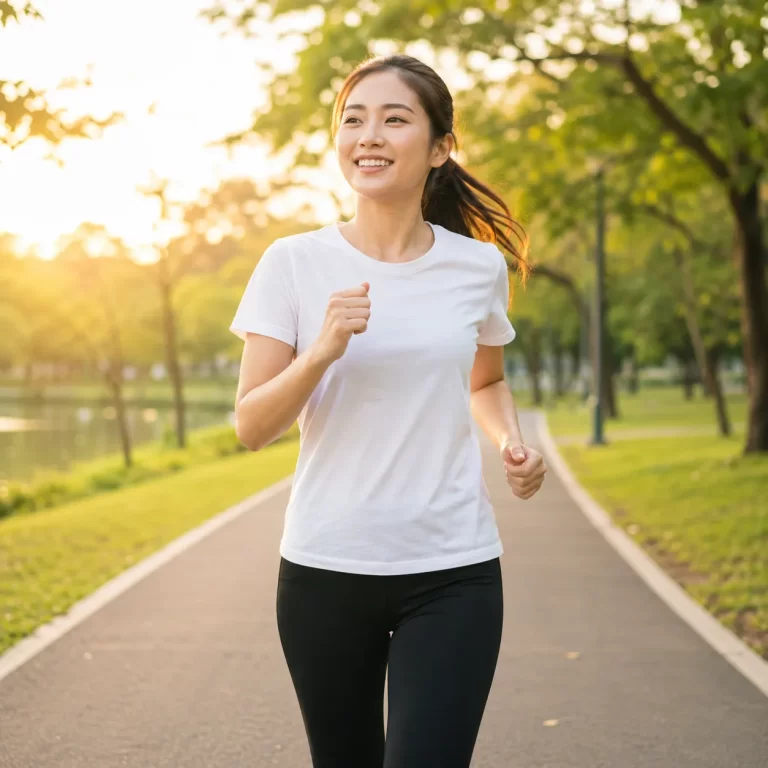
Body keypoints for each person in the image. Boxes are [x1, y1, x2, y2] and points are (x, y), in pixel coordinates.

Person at [230, 54, 547, 768]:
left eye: (394, 119)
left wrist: (510, 444)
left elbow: (485, 383)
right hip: (324, 570)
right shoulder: (292, 263)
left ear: (440, 148)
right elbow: (252, 426)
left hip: (454, 569)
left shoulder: (476, 267)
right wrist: (320, 352)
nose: (368, 135)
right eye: (354, 119)